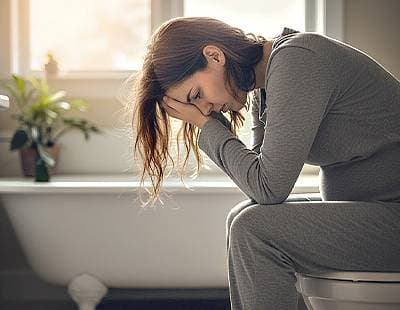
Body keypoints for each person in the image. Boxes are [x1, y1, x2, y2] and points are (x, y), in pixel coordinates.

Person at [130, 16, 400, 309]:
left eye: (196, 95)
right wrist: (207, 121)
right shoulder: (267, 85)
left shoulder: (298, 60)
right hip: (378, 213)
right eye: (193, 106)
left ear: (214, 55)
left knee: (252, 228)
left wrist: (205, 125)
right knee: (242, 217)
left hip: (392, 216)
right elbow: (259, 182)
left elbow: (269, 188)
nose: (203, 109)